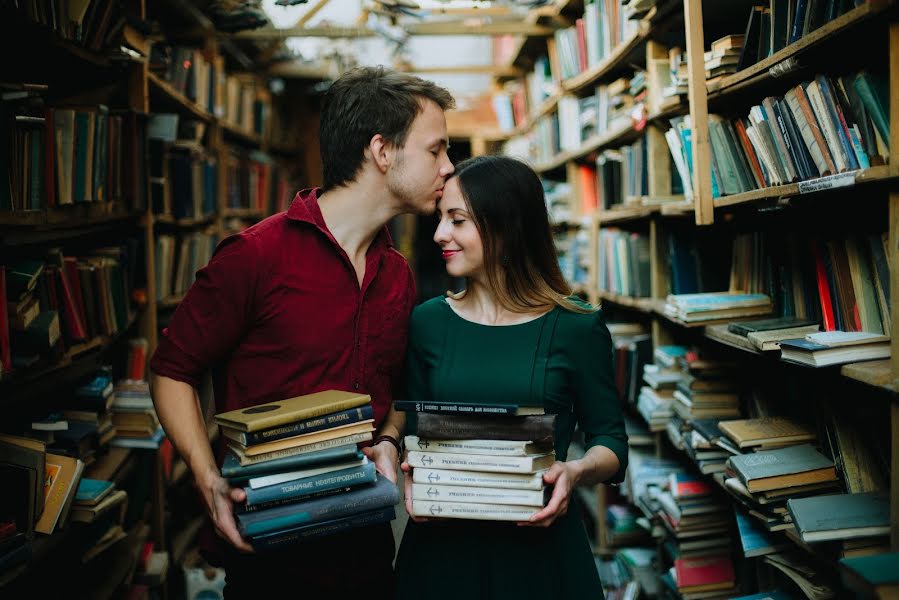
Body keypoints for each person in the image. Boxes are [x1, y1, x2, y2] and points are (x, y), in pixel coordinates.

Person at [148, 66, 455, 599]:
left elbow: (400, 389)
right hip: (271, 558)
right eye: (437, 151)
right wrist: (207, 479)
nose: (449, 168)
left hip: (367, 549)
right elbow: (172, 371)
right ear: (382, 152)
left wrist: (387, 438)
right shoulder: (257, 256)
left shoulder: (398, 274)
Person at [394, 155, 628, 599]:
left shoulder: (577, 327)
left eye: (457, 220)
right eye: (441, 219)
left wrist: (574, 471)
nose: (439, 234)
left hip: (540, 554)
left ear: (505, 227)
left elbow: (611, 442)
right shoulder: (427, 323)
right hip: (444, 555)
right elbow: (414, 429)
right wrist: (411, 469)